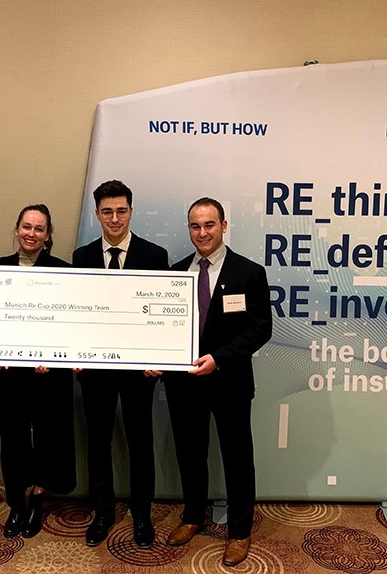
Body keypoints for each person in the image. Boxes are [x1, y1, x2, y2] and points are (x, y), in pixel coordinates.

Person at [163, 197, 272, 567]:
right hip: (184, 383)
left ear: (224, 226)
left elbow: (261, 329)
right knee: (190, 455)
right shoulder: (176, 274)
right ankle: (193, 516)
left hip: (230, 381)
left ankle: (240, 532)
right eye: (195, 226)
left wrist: (220, 359)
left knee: (237, 458)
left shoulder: (249, 272)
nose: (202, 232)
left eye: (209, 224)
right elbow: (163, 328)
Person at [72, 180, 169, 549]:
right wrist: (74, 353)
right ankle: (103, 510)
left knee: (139, 439)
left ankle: (141, 512)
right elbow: (77, 312)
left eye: (122, 211)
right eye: (108, 211)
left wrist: (158, 359)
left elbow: (162, 316)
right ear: (97, 214)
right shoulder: (81, 257)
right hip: (94, 371)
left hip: (138, 371)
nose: (115, 218)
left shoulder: (154, 255)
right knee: (97, 440)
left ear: (131, 211)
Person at [0, 204, 76, 538]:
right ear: (17, 229)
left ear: (48, 235)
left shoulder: (64, 271)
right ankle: (16, 502)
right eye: (26, 226)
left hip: (48, 374)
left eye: (39, 229)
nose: (31, 234)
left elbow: (69, 323)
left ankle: (37, 498)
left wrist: (55, 355)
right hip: (9, 373)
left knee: (47, 436)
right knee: (12, 439)